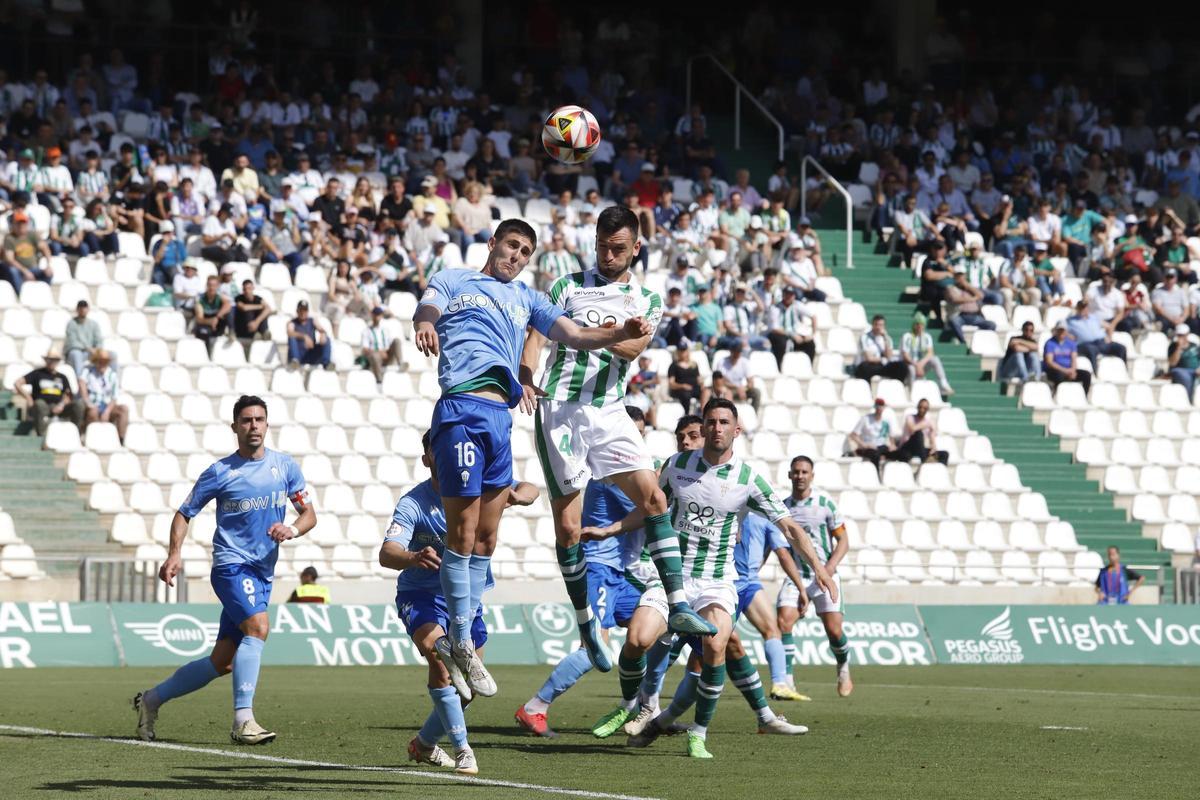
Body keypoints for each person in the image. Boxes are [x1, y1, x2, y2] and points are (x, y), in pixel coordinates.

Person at [412, 218, 652, 700]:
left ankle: (461, 641)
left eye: (525, 252)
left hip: (499, 420)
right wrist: (425, 323)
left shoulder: (528, 298)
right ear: (492, 243)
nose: (517, 256)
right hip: (461, 409)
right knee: (463, 532)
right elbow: (429, 304)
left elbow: (575, 335)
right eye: (511, 245)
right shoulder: (456, 278)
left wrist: (618, 334)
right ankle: (460, 640)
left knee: (487, 537)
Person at [519, 206, 713, 674]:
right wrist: (525, 375)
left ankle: (678, 603)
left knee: (654, 500)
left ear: (636, 248)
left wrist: (598, 334)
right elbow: (538, 336)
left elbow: (633, 349)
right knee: (569, 529)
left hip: (609, 410)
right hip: (560, 409)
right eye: (602, 247)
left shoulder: (645, 299)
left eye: (618, 248)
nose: (608, 255)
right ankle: (586, 624)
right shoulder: (567, 286)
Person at [584, 400, 835, 758]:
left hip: (716, 580)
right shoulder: (676, 465)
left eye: (724, 422)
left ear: (737, 430)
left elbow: (790, 527)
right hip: (673, 576)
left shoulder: (748, 479)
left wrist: (820, 569)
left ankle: (698, 733)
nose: (717, 428)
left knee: (717, 646)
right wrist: (610, 529)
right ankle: (630, 705)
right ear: (703, 428)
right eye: (711, 422)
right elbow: (650, 509)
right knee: (637, 639)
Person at [133, 395, 316, 745]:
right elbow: (184, 512)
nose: (253, 426)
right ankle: (243, 721)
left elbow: (309, 515)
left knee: (222, 662)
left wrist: (291, 529)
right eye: (246, 420)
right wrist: (174, 554)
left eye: (259, 419)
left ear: (267, 424)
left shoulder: (285, 467)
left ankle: (151, 700)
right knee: (258, 628)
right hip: (231, 566)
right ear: (235, 427)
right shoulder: (220, 472)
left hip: (262, 573)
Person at [381, 431, 539, 774]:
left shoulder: (479, 487)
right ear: (427, 459)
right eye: (437, 451)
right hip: (421, 595)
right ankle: (463, 749)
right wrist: (412, 557)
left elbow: (531, 488)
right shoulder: (413, 504)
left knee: (469, 689)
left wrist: (517, 496)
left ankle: (424, 744)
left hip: (467, 598)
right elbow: (387, 552)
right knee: (439, 659)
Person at [515, 407, 659, 736]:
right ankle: (535, 706)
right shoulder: (611, 475)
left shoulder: (626, 471)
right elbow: (650, 507)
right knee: (595, 648)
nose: (634, 440)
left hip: (619, 575)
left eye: (640, 434)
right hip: (598, 569)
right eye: (632, 433)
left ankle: (649, 707)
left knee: (653, 629)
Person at [776, 456, 853, 698]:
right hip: (797, 575)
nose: (800, 476)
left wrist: (827, 570)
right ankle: (787, 682)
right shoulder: (782, 508)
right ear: (789, 475)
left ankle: (843, 667)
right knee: (784, 621)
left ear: (812, 476)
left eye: (804, 472)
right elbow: (781, 548)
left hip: (825, 576)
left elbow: (843, 541)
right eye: (796, 472)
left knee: (834, 631)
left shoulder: (825, 504)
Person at [734, 511, 810, 702]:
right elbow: (782, 554)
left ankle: (780, 685)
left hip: (746, 580)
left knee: (772, 630)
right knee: (711, 643)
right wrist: (801, 588)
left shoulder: (732, 506)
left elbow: (777, 552)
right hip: (730, 582)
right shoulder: (767, 515)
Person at [15, 349, 84, 436]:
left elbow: (68, 395)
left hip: (59, 406)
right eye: (50, 359)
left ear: (58, 361)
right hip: (43, 406)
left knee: (79, 405)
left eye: (55, 360)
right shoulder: (37, 373)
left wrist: (61, 405)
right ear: (46, 360)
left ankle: (75, 433)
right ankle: (41, 436)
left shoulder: (62, 377)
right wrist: (28, 398)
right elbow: (17, 383)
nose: (52, 362)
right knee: (39, 404)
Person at [79, 349, 128, 443]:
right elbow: (82, 383)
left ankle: (121, 440)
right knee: (93, 412)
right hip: (92, 404)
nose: (102, 364)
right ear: (96, 362)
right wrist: (88, 402)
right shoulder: (88, 371)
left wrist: (107, 411)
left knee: (124, 409)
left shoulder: (112, 375)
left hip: (106, 405)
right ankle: (93, 438)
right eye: (100, 361)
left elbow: (114, 397)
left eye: (105, 362)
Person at [899, 313, 952, 395]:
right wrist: (916, 365)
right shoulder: (907, 336)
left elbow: (930, 353)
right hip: (909, 365)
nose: (920, 327)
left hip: (921, 365)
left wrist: (920, 364)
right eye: (917, 324)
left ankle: (943, 384)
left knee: (935, 359)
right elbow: (905, 355)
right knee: (911, 369)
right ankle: (911, 392)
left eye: (922, 324)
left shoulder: (927, 337)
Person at [2, 210, 53, 293]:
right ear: (14, 224)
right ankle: (20, 294)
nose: (21, 225)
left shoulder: (32, 235)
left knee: (48, 273)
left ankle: (43, 293)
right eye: (19, 223)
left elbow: (45, 248)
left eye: (23, 223)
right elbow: (10, 260)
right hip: (19, 270)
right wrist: (25, 271)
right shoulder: (9, 238)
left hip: (33, 268)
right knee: (13, 271)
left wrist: (48, 265)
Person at [1067, 299, 1127, 369]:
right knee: (1091, 350)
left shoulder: (1094, 318)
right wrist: (1070, 337)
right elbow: (1061, 331)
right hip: (1085, 344)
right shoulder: (1070, 321)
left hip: (1101, 342)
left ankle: (1123, 370)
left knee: (1121, 348)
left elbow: (1109, 327)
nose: (1083, 310)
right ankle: (1095, 373)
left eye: (1085, 307)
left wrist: (1109, 337)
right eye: (1081, 308)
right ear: (1077, 309)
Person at [944, 266, 997, 344]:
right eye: (958, 275)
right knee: (954, 321)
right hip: (960, 315)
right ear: (954, 277)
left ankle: (979, 342)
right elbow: (955, 299)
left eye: (962, 275)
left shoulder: (970, 288)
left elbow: (981, 295)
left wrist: (968, 286)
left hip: (974, 315)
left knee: (991, 325)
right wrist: (973, 299)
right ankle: (963, 343)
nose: (960, 278)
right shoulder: (950, 288)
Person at [766, 286, 816, 367]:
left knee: (810, 344)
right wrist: (792, 335)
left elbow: (813, 316)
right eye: (786, 294)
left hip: (794, 333)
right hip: (780, 334)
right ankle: (779, 366)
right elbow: (774, 328)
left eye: (791, 295)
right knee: (781, 343)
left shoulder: (797, 305)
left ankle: (809, 366)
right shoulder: (775, 308)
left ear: (794, 296)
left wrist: (812, 334)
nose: (788, 297)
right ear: (783, 295)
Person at [888, 398, 948, 464]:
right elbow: (912, 429)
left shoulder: (928, 422)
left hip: (920, 449)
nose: (922, 410)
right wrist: (925, 424)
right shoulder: (910, 417)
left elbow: (932, 437)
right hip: (907, 447)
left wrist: (933, 447)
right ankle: (924, 461)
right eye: (920, 407)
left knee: (944, 454)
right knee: (918, 434)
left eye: (924, 408)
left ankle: (938, 468)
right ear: (917, 407)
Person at [855, 315, 909, 381]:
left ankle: (898, 385)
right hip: (868, 366)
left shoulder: (887, 338)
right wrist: (882, 360)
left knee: (902, 366)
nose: (878, 327)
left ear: (884, 326)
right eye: (876, 324)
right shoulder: (865, 337)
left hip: (881, 366)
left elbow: (889, 356)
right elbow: (869, 358)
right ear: (872, 325)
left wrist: (885, 338)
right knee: (865, 367)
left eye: (880, 325)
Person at [848, 398, 895, 470]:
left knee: (899, 454)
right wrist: (864, 445)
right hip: (869, 447)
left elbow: (891, 436)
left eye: (881, 406)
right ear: (875, 407)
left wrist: (892, 445)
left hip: (882, 447)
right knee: (875, 455)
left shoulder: (886, 421)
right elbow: (853, 435)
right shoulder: (865, 419)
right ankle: (876, 474)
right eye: (878, 406)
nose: (880, 408)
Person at [361, 305, 405, 383]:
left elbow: (390, 344)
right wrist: (379, 352)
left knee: (397, 341)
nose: (378, 317)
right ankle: (379, 380)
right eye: (376, 315)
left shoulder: (385, 330)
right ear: (373, 316)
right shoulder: (366, 331)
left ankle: (401, 363)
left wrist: (384, 352)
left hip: (387, 355)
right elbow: (365, 349)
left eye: (379, 315)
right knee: (374, 356)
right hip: (376, 356)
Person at [1044, 322, 1091, 393]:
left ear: (1066, 331)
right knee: (1059, 376)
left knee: (1086, 375)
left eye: (1063, 330)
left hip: (1069, 370)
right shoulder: (1050, 343)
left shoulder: (1071, 343)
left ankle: (1084, 395)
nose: (1061, 332)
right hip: (1055, 370)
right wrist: (1065, 371)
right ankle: (1058, 394)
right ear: (1056, 331)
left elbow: (1074, 359)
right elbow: (1049, 362)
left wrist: (1073, 370)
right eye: (1059, 330)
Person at [713, 343, 761, 411]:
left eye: (739, 351)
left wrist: (744, 389)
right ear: (731, 351)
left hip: (741, 389)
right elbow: (720, 382)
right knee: (727, 393)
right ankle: (729, 414)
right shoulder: (722, 362)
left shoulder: (744, 362)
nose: (737, 354)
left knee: (756, 392)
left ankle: (754, 413)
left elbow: (751, 382)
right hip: (727, 389)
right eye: (735, 351)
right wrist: (737, 387)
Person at [233, 280, 273, 357]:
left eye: (249, 288)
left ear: (253, 288)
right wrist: (260, 306)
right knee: (249, 311)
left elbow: (268, 309)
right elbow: (244, 307)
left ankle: (264, 332)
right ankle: (257, 333)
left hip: (255, 325)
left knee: (263, 313)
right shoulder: (239, 298)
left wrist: (256, 322)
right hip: (243, 327)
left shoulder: (258, 299)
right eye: (245, 289)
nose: (247, 291)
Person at [64, 300, 104, 377]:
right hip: (76, 352)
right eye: (81, 307)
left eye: (85, 307)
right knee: (76, 354)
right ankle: (80, 380)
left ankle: (112, 380)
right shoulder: (71, 324)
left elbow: (99, 340)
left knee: (112, 355)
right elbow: (72, 342)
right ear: (77, 309)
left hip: (91, 353)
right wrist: (88, 348)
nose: (83, 310)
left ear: (88, 309)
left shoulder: (94, 324)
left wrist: (97, 350)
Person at [286, 300, 331, 368]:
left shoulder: (312, 321)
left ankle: (326, 363)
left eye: (305, 310)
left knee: (326, 339)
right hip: (299, 353)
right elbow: (290, 333)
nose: (303, 313)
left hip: (310, 353)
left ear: (307, 311)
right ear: (297, 311)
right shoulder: (292, 323)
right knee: (292, 338)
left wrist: (322, 334)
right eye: (301, 310)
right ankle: (295, 361)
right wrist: (304, 336)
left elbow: (321, 329)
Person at [193, 275, 231, 354]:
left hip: (217, 324)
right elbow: (199, 319)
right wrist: (211, 321)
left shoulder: (220, 297)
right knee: (203, 332)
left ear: (217, 286)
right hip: (206, 323)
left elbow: (228, 306)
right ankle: (206, 354)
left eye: (214, 285)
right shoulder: (200, 299)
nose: (211, 288)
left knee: (229, 313)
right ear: (206, 285)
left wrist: (217, 317)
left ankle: (231, 332)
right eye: (210, 285)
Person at [1167, 324, 1200, 400]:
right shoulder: (1172, 347)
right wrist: (1179, 348)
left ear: (1187, 334)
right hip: (1179, 370)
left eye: (1183, 335)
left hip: (1195, 370)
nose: (1182, 337)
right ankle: (1188, 400)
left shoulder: (1195, 346)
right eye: (1179, 335)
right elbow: (1172, 363)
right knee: (1185, 377)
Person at [667, 345, 702, 412]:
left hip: (694, 388)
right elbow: (671, 384)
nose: (683, 353)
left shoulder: (694, 365)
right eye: (681, 351)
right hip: (680, 390)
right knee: (686, 395)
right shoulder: (674, 366)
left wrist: (702, 384)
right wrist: (683, 386)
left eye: (684, 351)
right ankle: (687, 414)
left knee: (705, 392)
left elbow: (698, 379)